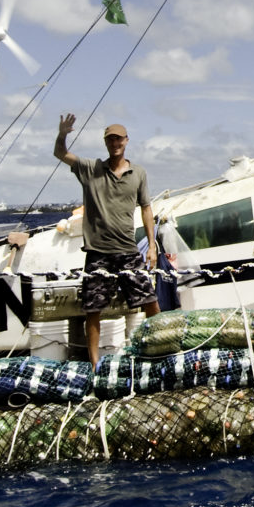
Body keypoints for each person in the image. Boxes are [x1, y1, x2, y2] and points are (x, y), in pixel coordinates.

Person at [53, 115, 161, 362]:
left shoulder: (138, 173)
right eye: (111, 140)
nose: (115, 144)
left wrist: (152, 245)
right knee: (93, 310)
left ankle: (158, 353)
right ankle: (94, 366)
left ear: (126, 141)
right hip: (98, 252)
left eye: (119, 139)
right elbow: (60, 153)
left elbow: (146, 208)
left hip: (128, 250)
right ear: (105, 143)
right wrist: (63, 134)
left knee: (151, 302)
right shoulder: (90, 169)